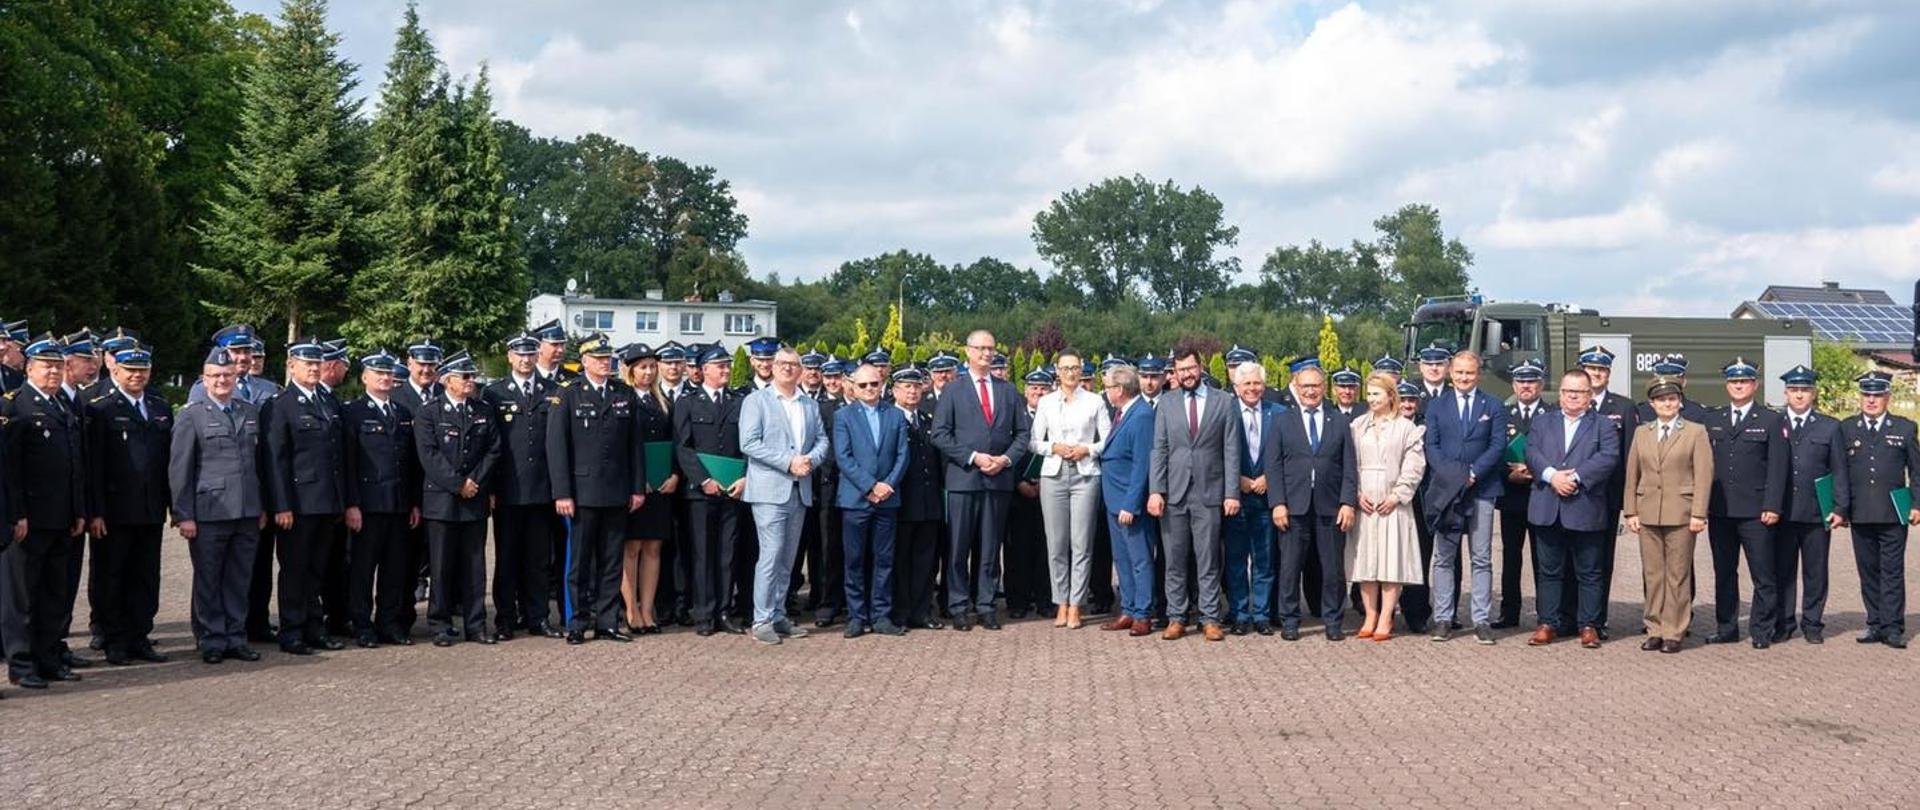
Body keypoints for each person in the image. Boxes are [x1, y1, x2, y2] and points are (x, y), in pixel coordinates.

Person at [545, 334, 646, 645]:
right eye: (599, 358)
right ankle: (576, 622)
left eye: (608, 358)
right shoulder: (568, 394)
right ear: (584, 362)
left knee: (612, 560)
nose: (605, 363)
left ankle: (607, 621)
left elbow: (635, 447)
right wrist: (562, 492)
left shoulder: (623, 393)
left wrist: (637, 488)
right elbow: (557, 447)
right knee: (579, 562)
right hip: (582, 492)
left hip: (616, 491)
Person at [168, 347, 266, 665]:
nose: (222, 380)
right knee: (209, 577)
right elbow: (180, 469)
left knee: (239, 578)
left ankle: (235, 636)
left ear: (237, 377)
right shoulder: (191, 415)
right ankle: (210, 638)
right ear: (204, 379)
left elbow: (260, 465)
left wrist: (262, 505)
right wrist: (183, 515)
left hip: (247, 510)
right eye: (215, 376)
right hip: (210, 511)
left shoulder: (248, 412)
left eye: (227, 375)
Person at [930, 330, 1031, 631]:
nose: (987, 354)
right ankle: (959, 605)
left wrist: (1004, 459)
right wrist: (974, 457)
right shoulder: (953, 390)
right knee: (958, 547)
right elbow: (940, 434)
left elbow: (1022, 434)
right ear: (968, 351)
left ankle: (986, 605)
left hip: (998, 479)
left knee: (990, 547)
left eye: (991, 348)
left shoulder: (1008, 390)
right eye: (981, 348)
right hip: (964, 479)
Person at [2, 335, 87, 689]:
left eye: (57, 365)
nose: (52, 371)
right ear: (29, 368)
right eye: (45, 365)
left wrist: (79, 510)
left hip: (62, 517)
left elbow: (74, 466)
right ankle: (21, 664)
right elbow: (9, 470)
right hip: (30, 520)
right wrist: (16, 514)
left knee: (55, 593)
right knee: (22, 597)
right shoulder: (14, 406)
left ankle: (48, 658)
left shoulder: (62, 405)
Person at [81, 345, 172, 665]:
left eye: (142, 370)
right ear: (115, 371)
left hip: (150, 509)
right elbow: (93, 466)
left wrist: (172, 507)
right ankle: (115, 639)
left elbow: (166, 463)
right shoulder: (100, 408)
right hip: (114, 511)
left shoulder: (160, 406)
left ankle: (139, 636)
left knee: (146, 576)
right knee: (112, 576)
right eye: (130, 370)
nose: (137, 375)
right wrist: (96, 511)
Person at [1148, 348, 1240, 642]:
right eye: (1180, 369)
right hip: (1173, 493)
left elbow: (1231, 450)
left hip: (1209, 492)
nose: (1186, 374)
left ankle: (1210, 618)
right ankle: (1176, 617)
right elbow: (1159, 449)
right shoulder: (1166, 403)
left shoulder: (1224, 402)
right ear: (1174, 372)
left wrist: (1231, 492)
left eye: (1191, 368)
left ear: (1200, 367)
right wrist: (1156, 490)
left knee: (1209, 558)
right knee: (1174, 560)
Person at [263, 338, 348, 655]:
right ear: (291, 366)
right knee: (295, 570)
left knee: (318, 569)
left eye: (317, 363)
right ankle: (292, 631)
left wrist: (340, 500)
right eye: (307, 363)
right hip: (297, 504)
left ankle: (315, 627)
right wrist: (281, 505)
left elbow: (338, 457)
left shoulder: (327, 402)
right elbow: (275, 460)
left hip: (326, 501)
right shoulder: (279, 404)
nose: (314, 368)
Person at [738, 346, 828, 645]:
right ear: (772, 368)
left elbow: (822, 440)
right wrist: (787, 462)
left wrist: (810, 461)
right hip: (769, 489)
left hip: (798, 489)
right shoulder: (756, 401)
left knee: (788, 558)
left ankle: (778, 614)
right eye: (782, 363)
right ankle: (761, 618)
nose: (788, 368)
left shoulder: (808, 404)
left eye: (793, 364)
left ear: (801, 370)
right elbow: (749, 443)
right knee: (771, 555)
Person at [1525, 370, 1619, 649]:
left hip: (1585, 506)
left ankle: (1588, 625)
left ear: (1589, 395)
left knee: (1589, 571)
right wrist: (1552, 476)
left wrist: (1575, 477)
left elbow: (1608, 457)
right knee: (1549, 570)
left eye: (1579, 392)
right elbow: (1532, 452)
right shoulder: (1542, 422)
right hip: (1548, 504)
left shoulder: (1603, 424)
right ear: (1560, 393)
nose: (1573, 396)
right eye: (1568, 391)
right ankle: (1547, 623)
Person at [1621, 377, 1713, 654]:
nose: (1667, 404)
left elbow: (1704, 475)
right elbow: (1631, 474)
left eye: (1672, 399)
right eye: (1661, 400)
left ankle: (1674, 630)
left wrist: (1699, 513)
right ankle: (1654, 628)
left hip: (1682, 513)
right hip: (1648, 511)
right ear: (1652, 403)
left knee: (1678, 574)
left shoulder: (1695, 432)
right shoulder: (1642, 432)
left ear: (1679, 402)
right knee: (1653, 574)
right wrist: (1631, 511)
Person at [1422, 350, 1508, 644]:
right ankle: (1444, 617)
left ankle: (1481, 619)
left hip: (1482, 489)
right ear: (1450, 373)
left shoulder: (1494, 405)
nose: (1464, 378)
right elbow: (1431, 446)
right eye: (1459, 372)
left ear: (1478, 374)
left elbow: (1497, 446)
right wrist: (1454, 478)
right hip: (1447, 491)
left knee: (1481, 557)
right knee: (1444, 557)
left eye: (1469, 373)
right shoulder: (1436, 406)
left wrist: (1472, 474)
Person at [1265, 364, 1357, 641]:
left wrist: (1347, 502)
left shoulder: (1339, 421)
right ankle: (1290, 621)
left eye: (1315, 386)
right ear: (1296, 386)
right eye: (1305, 386)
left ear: (1324, 388)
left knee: (1332, 570)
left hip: (1330, 507)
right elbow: (1273, 466)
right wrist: (1277, 503)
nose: (1310, 391)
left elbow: (1349, 467)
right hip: (1294, 506)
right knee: (1290, 567)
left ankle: (1333, 621)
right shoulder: (1283, 421)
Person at [1703, 356, 1788, 648]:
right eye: (1734, 381)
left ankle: (1762, 630)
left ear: (1755, 385)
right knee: (1724, 573)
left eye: (1744, 381)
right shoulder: (1712, 419)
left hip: (1756, 512)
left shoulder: (1771, 419)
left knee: (1763, 574)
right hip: (1721, 510)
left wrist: (1773, 505)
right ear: (1728, 385)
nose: (1739, 386)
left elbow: (1778, 467)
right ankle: (1726, 628)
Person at [417, 352, 500, 647]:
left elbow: (493, 449)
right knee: (441, 566)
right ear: (447, 380)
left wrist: (474, 482)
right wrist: (457, 484)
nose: (470, 381)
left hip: (474, 498)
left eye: (472, 376)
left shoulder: (482, 410)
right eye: (464, 377)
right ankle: (439, 624)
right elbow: (429, 455)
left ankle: (476, 625)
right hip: (442, 500)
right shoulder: (430, 412)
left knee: (474, 567)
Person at [1834, 371, 1919, 648]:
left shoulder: (1904, 428)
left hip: (1894, 512)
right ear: (1861, 398)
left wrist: (1917, 504)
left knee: (1892, 571)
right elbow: (1840, 473)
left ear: (1887, 397)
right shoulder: (1846, 428)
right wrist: (1841, 508)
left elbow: (1916, 471)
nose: (1871, 400)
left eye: (1877, 395)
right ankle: (1874, 623)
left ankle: (1893, 627)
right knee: (1868, 571)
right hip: (1860, 512)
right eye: (1867, 395)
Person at [340, 350, 420, 647]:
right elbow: (347, 463)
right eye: (378, 373)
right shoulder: (353, 413)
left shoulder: (402, 414)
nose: (385, 378)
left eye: (388, 374)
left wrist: (413, 502)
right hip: (367, 506)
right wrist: (351, 504)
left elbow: (410, 464)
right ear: (364, 378)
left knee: (394, 570)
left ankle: (389, 624)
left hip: (398, 505)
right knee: (362, 570)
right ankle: (362, 625)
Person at [483, 333, 559, 640]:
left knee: (539, 560)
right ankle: (505, 618)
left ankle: (538, 617)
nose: (526, 360)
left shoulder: (553, 391)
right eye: (520, 355)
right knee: (507, 559)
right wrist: (490, 489)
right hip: (508, 490)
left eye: (531, 354)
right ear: (510, 357)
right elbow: (489, 443)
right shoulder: (495, 393)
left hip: (542, 489)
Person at [1029, 349, 1108, 630]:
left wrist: (1086, 449)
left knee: (1081, 542)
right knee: (1056, 543)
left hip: (1085, 475)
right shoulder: (1047, 402)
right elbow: (1034, 442)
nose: (1070, 373)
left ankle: (1076, 604)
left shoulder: (1095, 401)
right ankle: (1060, 601)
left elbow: (1107, 440)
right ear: (1057, 371)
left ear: (1082, 368)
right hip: (1054, 474)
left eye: (1075, 367)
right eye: (1065, 368)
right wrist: (1054, 447)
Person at [1347, 373, 1427, 642]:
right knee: (1366, 562)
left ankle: (1386, 616)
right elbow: (1349, 464)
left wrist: (1397, 496)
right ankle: (1370, 614)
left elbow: (1415, 466)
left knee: (1391, 561)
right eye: (1368, 394)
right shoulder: (1357, 425)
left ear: (1390, 396)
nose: (1371, 399)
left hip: (1393, 503)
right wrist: (1356, 494)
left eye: (1377, 394)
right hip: (1366, 503)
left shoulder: (1406, 427)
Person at [1773, 364, 1847, 644]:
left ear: (1813, 393)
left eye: (1804, 390)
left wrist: (1840, 508)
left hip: (1817, 512)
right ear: (1786, 393)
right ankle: (1784, 622)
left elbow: (1839, 469)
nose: (1799, 395)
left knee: (1815, 572)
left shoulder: (1829, 426)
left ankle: (1813, 623)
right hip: (1783, 511)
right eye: (1794, 390)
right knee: (1783, 571)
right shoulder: (1775, 423)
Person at [833, 362, 909, 638]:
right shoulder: (844, 416)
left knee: (884, 560)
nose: (868, 389)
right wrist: (869, 486)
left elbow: (902, 455)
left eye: (874, 384)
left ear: (882, 385)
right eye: (863, 385)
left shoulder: (895, 416)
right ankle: (856, 616)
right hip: (856, 499)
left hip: (887, 499)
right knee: (854, 560)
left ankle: (881, 615)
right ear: (853, 387)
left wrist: (887, 484)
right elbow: (844, 457)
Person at [675, 345, 745, 637]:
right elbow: (683, 446)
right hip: (701, 492)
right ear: (704, 370)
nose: (726, 370)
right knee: (703, 554)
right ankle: (704, 613)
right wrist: (704, 480)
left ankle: (724, 611)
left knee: (727, 554)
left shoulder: (739, 401)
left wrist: (744, 477)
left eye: (728, 366)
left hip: (732, 491)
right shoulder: (688, 402)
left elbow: (747, 445)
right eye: (720, 366)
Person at [1219, 362, 1283, 635]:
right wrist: (1237, 480)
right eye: (1247, 384)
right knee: (1235, 560)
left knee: (1264, 560)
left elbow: (1286, 453)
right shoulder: (1225, 412)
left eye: (1257, 383)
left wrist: (1269, 476)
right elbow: (1215, 454)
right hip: (1236, 497)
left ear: (1264, 386)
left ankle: (1262, 615)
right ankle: (1239, 613)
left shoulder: (1278, 414)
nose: (1252, 388)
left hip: (1266, 497)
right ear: (1236, 387)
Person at [1578, 345, 1637, 636]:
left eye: (1601, 370)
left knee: (1601, 560)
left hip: (1607, 497)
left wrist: (1629, 501)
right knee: (1573, 559)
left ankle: (1596, 620)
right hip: (1575, 495)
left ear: (1609, 374)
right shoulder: (1571, 401)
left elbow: (1629, 457)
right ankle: (1572, 616)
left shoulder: (1623, 407)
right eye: (1591, 369)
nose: (1596, 374)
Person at [619, 343, 677, 634]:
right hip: (635, 486)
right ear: (630, 370)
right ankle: (630, 611)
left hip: (660, 486)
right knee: (631, 548)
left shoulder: (663, 401)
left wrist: (675, 474)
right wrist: (634, 479)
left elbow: (676, 442)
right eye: (642, 366)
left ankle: (648, 609)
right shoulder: (623, 399)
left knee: (654, 547)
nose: (649, 371)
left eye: (652, 366)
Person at [1097, 364, 1155, 636]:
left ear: (1119, 389)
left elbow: (1142, 464)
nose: (1106, 392)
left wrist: (1131, 504)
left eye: (1108, 386)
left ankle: (1143, 613)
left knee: (1140, 559)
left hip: (1128, 503)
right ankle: (1129, 609)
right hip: (1114, 500)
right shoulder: (1122, 413)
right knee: (1122, 560)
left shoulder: (1142, 416)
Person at [888, 367, 945, 630]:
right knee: (900, 561)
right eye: (906, 386)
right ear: (894, 390)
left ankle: (921, 611)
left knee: (925, 560)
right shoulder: (888, 417)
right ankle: (900, 612)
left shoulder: (928, 419)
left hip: (928, 502)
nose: (912, 391)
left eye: (916, 386)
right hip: (900, 501)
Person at [1494, 359, 1548, 629]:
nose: (1526, 386)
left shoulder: (1552, 414)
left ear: (1541, 384)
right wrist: (1508, 474)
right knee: (1511, 556)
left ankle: (1545, 612)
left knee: (1544, 556)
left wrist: (1536, 471)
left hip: (1542, 494)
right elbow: (1493, 453)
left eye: (1532, 381)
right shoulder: (1503, 414)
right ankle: (1509, 611)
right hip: (1512, 495)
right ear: (1514, 384)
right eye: (1521, 381)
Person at [1003, 370, 1053, 619]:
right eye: (1033, 388)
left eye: (1043, 388)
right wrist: (1017, 483)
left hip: (1048, 489)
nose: (1038, 392)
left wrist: (1044, 482)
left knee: (1046, 548)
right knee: (1017, 549)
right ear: (1026, 391)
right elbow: (1004, 448)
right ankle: (1017, 602)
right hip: (1018, 491)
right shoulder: (1015, 415)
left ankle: (1046, 600)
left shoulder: (1056, 414)